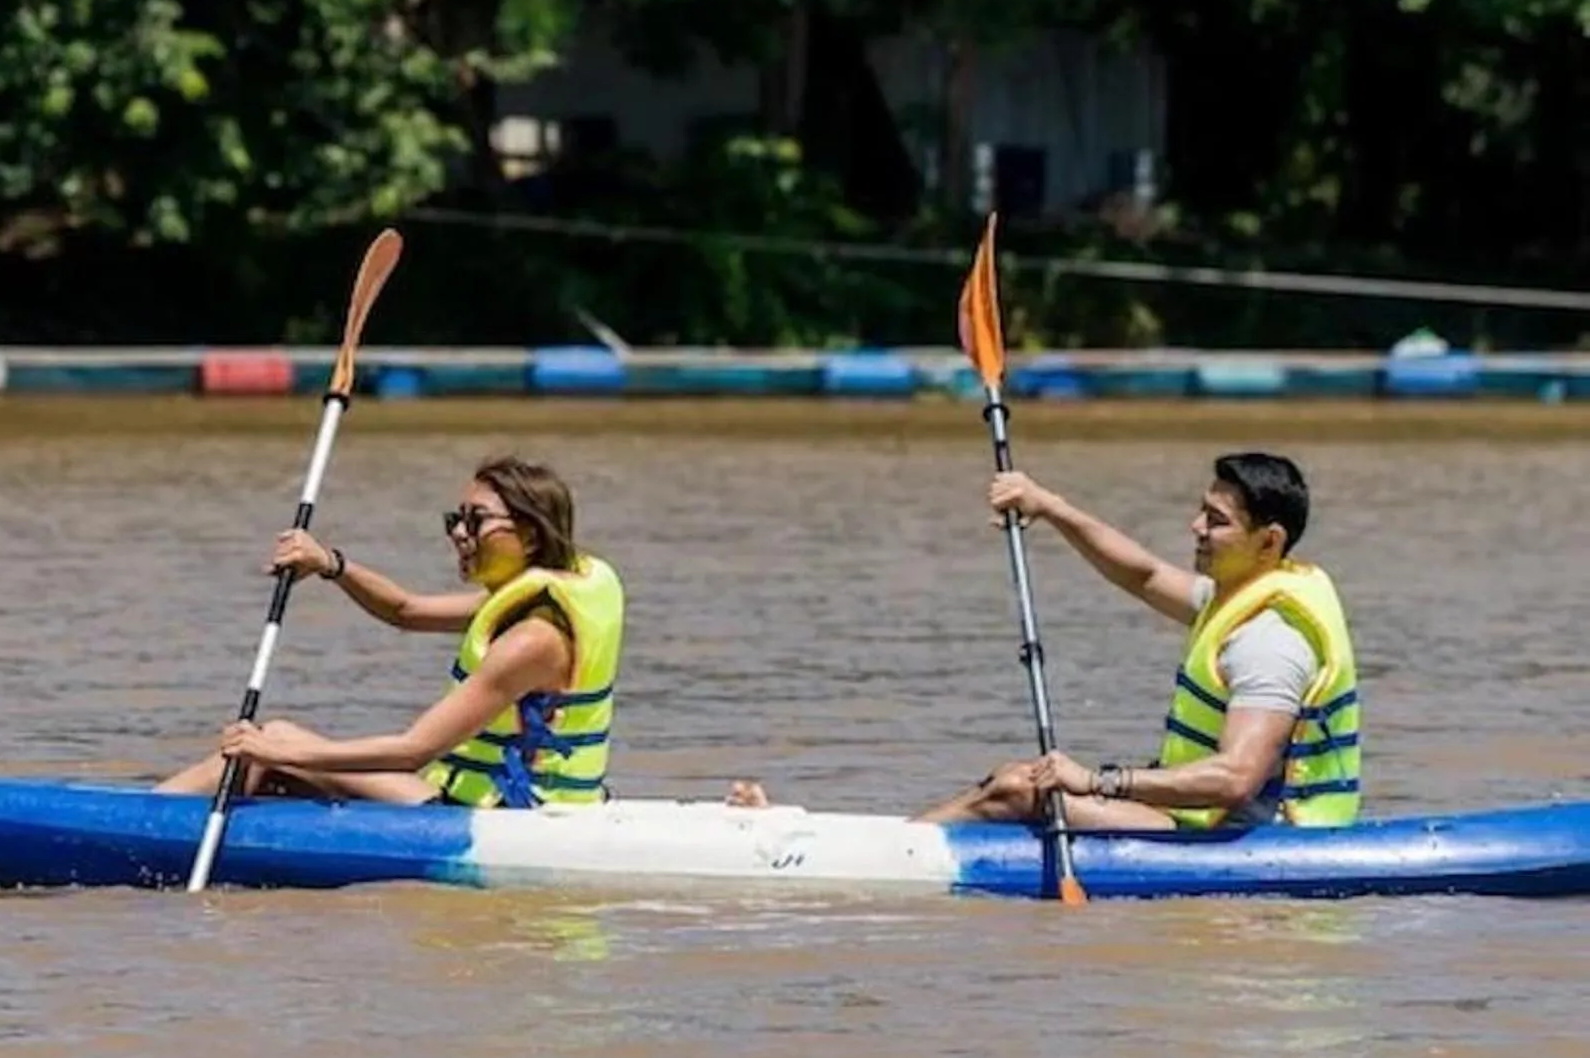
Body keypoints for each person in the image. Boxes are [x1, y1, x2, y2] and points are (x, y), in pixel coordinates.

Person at [730, 451, 1360, 832]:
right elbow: (1141, 573)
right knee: (1017, 782)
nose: (1195, 527)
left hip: (1247, 831)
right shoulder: (1231, 598)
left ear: (1269, 540)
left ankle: (874, 853)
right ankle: (878, 839)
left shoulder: (1270, 641)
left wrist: (1098, 782)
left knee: (1020, 788)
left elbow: (1235, 779)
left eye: (1216, 522)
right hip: (1206, 816)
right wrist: (1050, 506)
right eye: (1201, 510)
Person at [153, 455, 625, 808]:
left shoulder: (531, 642)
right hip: (526, 806)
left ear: (530, 535)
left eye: (476, 521)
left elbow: (413, 751)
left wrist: (275, 752)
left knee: (272, 744)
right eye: (455, 520)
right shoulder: (550, 598)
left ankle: (136, 822)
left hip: (503, 819)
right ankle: (161, 817)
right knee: (276, 749)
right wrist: (330, 564)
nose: (459, 533)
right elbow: (406, 610)